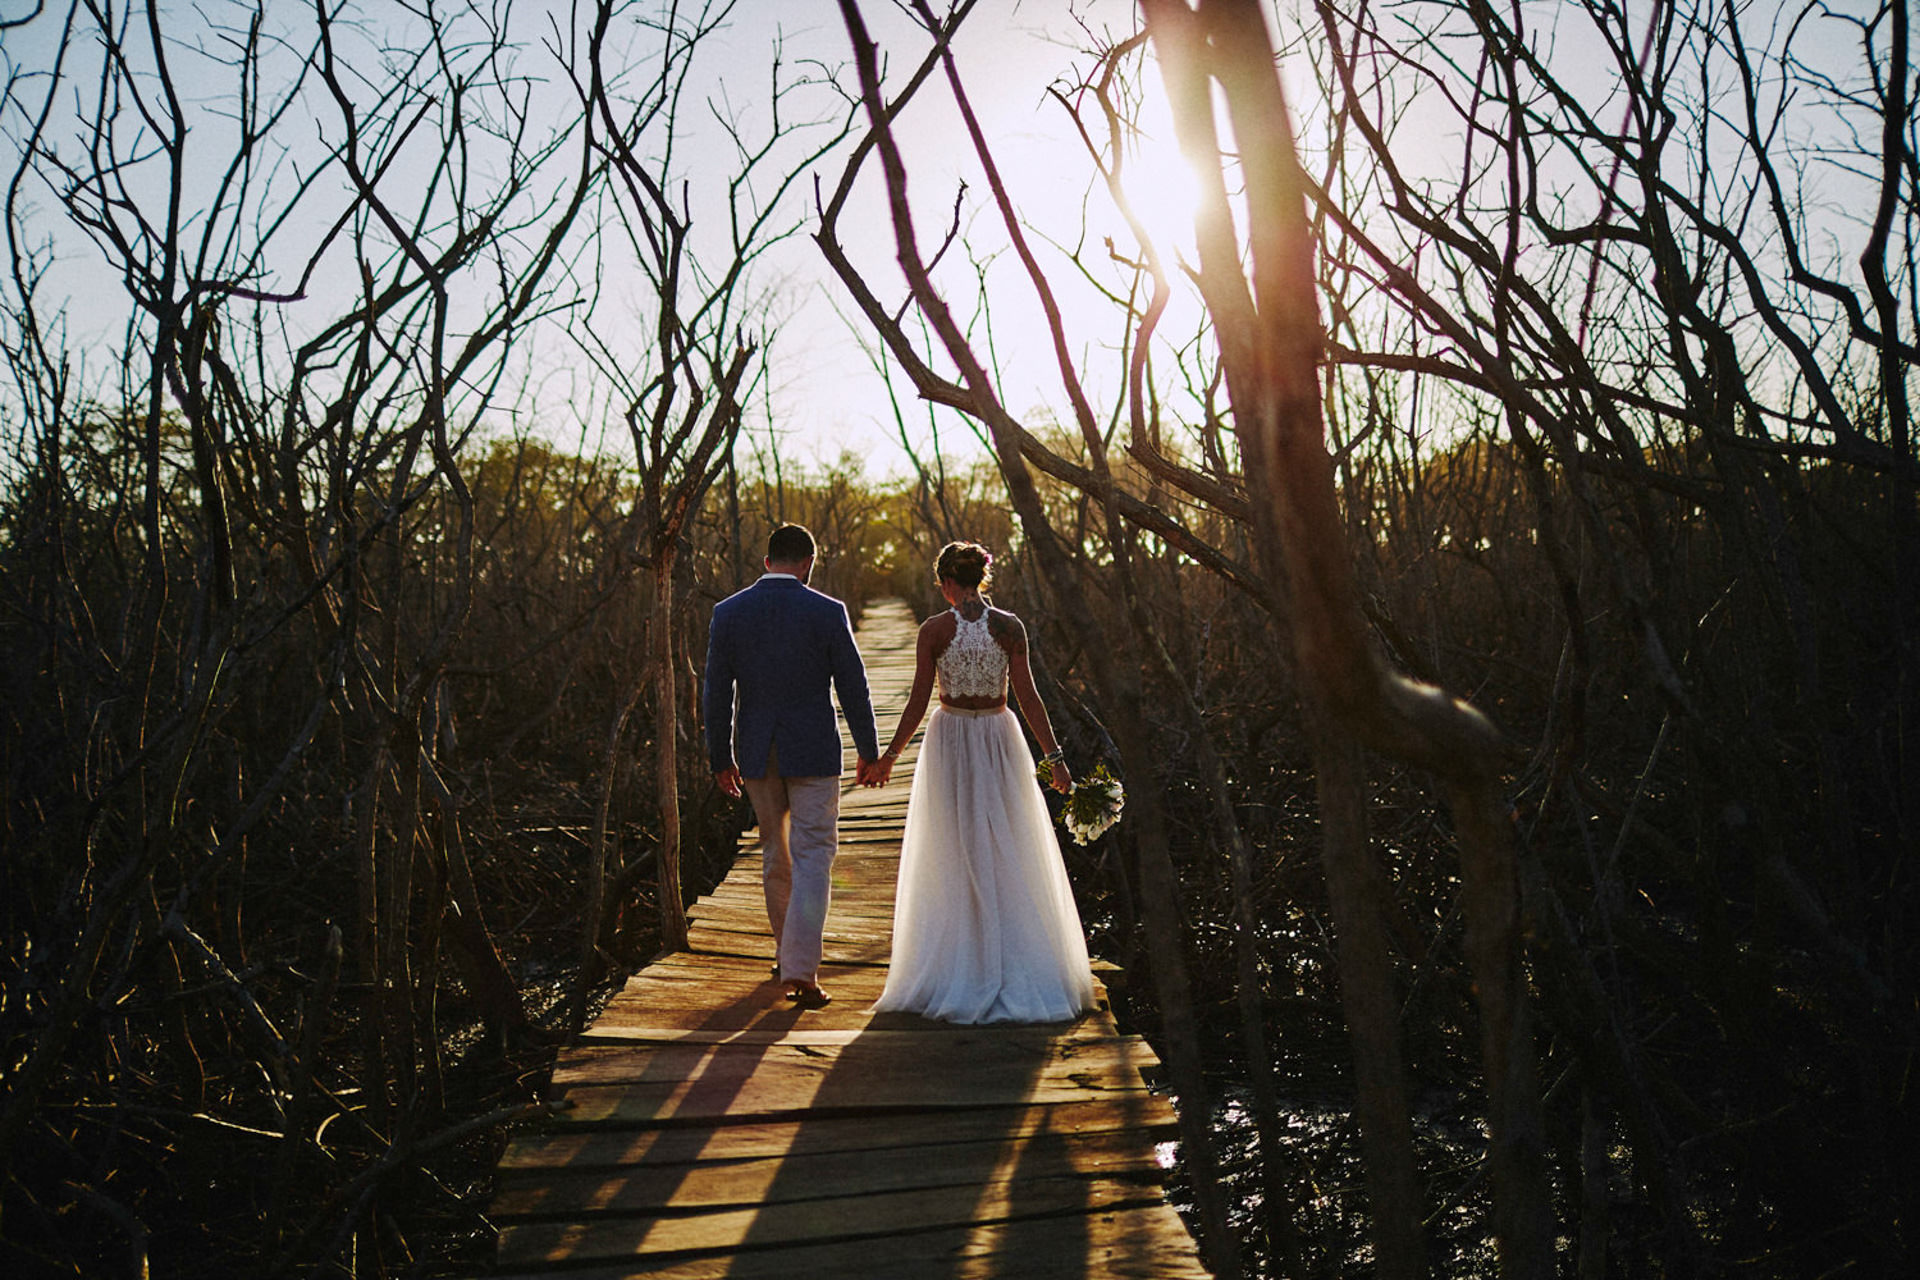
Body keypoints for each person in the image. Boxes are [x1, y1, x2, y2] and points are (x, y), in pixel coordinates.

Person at [868, 541, 1096, 1024]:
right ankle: (1002, 952)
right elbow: (1029, 697)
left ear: (948, 584)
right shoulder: (1009, 627)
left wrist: (890, 757)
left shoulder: (934, 629)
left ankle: (965, 956)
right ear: (980, 579)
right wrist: (1055, 758)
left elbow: (916, 701)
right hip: (999, 734)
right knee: (1005, 843)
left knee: (953, 845)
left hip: (950, 736)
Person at [703, 524, 881, 1010]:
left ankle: (787, 956)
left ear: (767, 562)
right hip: (814, 751)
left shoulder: (729, 612)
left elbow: (716, 692)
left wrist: (720, 757)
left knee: (774, 855)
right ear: (807, 564)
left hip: (757, 751)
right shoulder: (826, 611)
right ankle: (801, 969)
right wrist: (870, 750)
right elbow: (853, 685)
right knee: (814, 853)